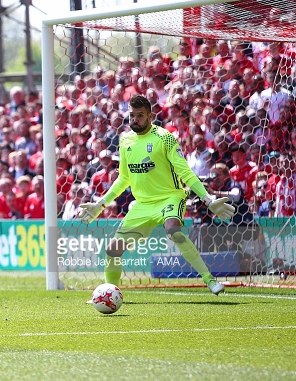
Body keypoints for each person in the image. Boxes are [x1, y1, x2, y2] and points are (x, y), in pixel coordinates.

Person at [79, 94, 235, 295]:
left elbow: (184, 171)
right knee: (113, 249)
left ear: (150, 116)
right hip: (143, 205)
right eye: (131, 115)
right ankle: (109, 293)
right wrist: (100, 204)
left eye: (140, 115)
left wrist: (207, 199)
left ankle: (209, 279)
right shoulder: (126, 140)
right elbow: (123, 178)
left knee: (174, 231)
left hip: (170, 197)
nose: (134, 119)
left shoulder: (164, 137)